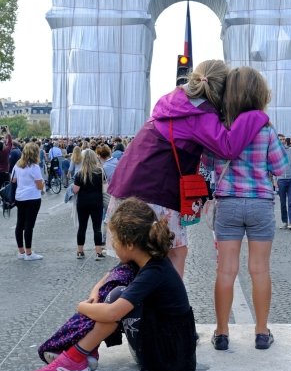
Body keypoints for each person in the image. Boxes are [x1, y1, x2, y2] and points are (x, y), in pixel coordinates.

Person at [107, 60, 269, 277]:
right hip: (155, 189)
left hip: (130, 182)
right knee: (174, 253)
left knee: (139, 257)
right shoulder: (201, 115)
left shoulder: (175, 100)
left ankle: (127, 302)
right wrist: (254, 114)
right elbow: (228, 147)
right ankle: (170, 308)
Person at [31, 197, 196, 371]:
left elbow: (112, 313)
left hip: (170, 356)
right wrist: (94, 293)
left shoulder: (155, 271)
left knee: (116, 296)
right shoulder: (144, 257)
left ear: (130, 244)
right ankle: (87, 349)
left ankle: (75, 358)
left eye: (115, 240)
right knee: (117, 282)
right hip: (165, 343)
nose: (113, 246)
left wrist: (81, 307)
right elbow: (107, 278)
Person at [202, 67, 288, 351]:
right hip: (261, 203)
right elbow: (281, 167)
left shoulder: (219, 128)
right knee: (260, 270)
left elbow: (208, 164)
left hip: (228, 203)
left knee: (225, 271)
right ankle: (261, 333)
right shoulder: (265, 128)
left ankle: (222, 333)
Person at [11, 142, 44, 260]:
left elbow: (13, 180)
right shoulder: (34, 167)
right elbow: (40, 186)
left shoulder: (17, 165)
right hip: (32, 197)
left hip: (20, 196)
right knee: (29, 225)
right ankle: (29, 253)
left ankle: (21, 251)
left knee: (20, 223)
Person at [73, 149, 104, 260]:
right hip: (97, 202)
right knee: (97, 227)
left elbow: (76, 190)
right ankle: (98, 252)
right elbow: (103, 186)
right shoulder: (100, 172)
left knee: (82, 227)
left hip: (83, 202)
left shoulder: (80, 173)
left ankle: (80, 252)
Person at [0, 125, 12, 190]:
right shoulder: (5, 152)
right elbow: (10, 143)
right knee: (6, 190)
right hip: (5, 173)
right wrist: (8, 132)